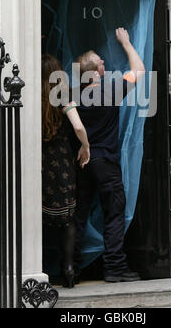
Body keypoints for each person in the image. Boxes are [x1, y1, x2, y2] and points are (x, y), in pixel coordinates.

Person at [73, 27, 145, 283]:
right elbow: (139, 71)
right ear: (96, 72)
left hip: (83, 162)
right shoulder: (109, 90)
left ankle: (72, 267)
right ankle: (115, 268)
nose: (105, 63)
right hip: (106, 162)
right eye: (101, 62)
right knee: (114, 213)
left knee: (79, 214)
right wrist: (126, 42)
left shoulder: (72, 95)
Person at [42, 54, 90, 288]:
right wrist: (85, 146)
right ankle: (68, 269)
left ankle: (36, 269)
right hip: (61, 161)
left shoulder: (31, 95)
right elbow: (78, 126)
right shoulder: (61, 95)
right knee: (67, 218)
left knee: (37, 216)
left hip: (40, 160)